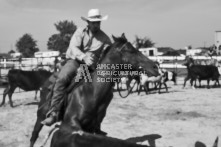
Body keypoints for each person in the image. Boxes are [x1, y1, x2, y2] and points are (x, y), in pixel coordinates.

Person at [41, 9, 112, 126]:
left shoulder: (104, 38)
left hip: (91, 67)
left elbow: (109, 52)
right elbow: (73, 47)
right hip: (75, 61)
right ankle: (54, 113)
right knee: (62, 78)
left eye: (98, 22)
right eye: (93, 22)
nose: (96, 25)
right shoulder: (80, 32)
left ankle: (96, 120)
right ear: (88, 22)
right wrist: (84, 57)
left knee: (106, 91)